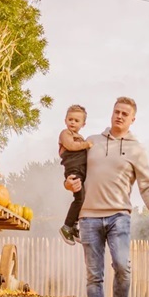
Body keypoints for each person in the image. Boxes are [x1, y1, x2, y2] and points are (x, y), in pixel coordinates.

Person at [63, 96, 149, 297]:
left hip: (119, 215)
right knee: (94, 275)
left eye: (125, 114)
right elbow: (73, 168)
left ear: (132, 119)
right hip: (88, 217)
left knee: (122, 266)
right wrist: (68, 183)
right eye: (116, 111)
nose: (119, 116)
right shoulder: (92, 142)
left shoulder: (136, 149)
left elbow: (147, 186)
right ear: (112, 113)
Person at [57, 104, 90, 244]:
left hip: (81, 171)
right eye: (70, 119)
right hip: (73, 170)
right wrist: (87, 144)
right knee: (79, 199)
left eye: (77, 121)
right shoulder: (66, 134)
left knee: (83, 198)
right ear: (65, 120)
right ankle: (67, 226)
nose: (72, 122)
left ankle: (74, 226)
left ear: (83, 124)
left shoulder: (81, 137)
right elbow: (71, 146)